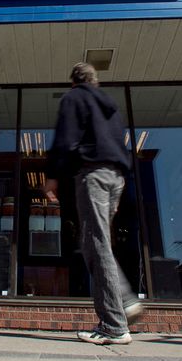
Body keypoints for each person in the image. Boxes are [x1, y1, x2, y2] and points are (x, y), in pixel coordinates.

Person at [43, 62, 144, 345]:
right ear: (95, 81)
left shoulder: (74, 97)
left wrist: (52, 176)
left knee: (95, 243)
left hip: (94, 175)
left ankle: (114, 324)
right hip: (117, 177)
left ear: (74, 82)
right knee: (97, 242)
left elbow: (65, 139)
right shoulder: (109, 106)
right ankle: (123, 301)